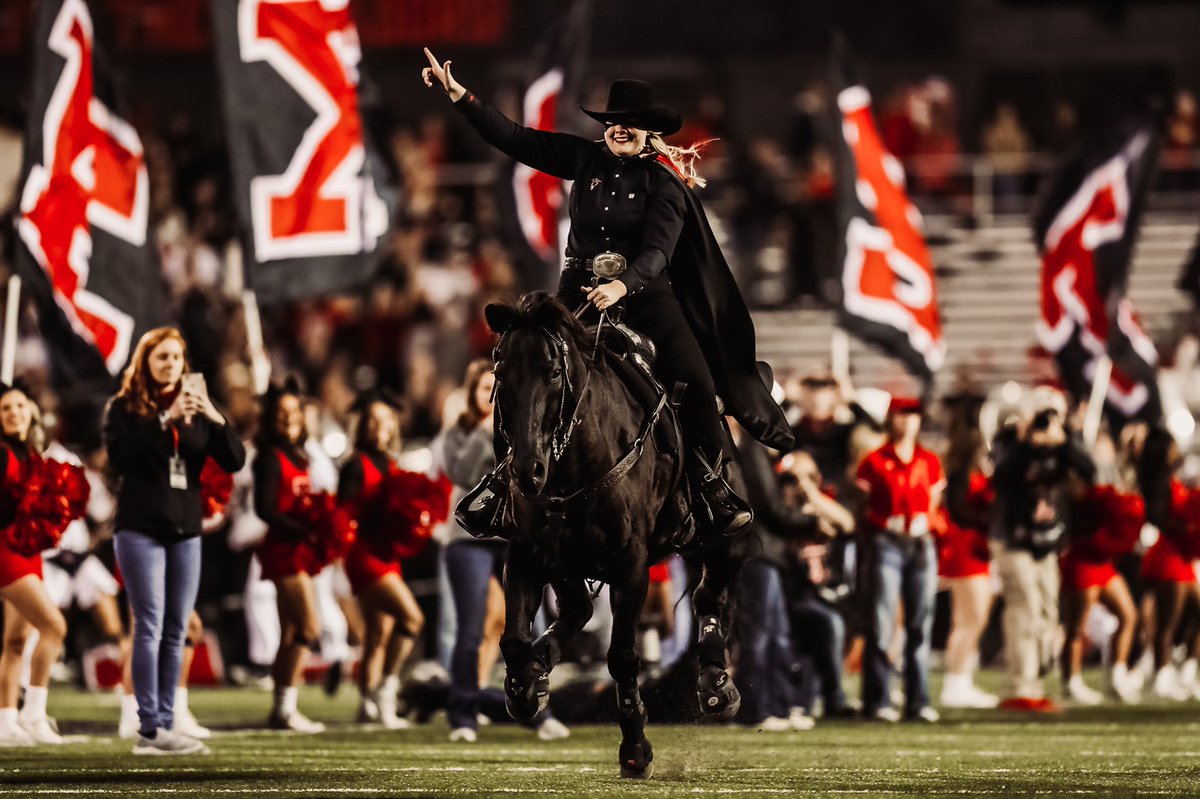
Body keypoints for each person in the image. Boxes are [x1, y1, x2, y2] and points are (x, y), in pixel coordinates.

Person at [421, 48, 793, 541]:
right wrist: (461, 98)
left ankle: (711, 486)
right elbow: (515, 138)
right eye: (614, 121)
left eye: (631, 123)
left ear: (648, 130)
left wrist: (624, 285)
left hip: (645, 296)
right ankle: (500, 482)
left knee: (698, 383)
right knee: (526, 368)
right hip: (577, 293)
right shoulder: (584, 157)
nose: (620, 129)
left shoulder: (665, 183)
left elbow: (660, 251)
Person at [104, 327, 245, 754]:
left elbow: (234, 459)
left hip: (185, 528)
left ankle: (167, 720)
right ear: (145, 361)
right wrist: (165, 419)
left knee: (177, 628)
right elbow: (121, 458)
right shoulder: (124, 407)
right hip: (140, 526)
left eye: (176, 358)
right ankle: (148, 727)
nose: (170, 365)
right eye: (161, 357)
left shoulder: (197, 408)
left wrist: (215, 416)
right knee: (148, 624)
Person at [436, 360, 569, 743]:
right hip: (469, 541)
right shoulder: (458, 431)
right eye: (483, 391)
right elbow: (462, 473)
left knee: (534, 624)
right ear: (471, 394)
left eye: (494, 390)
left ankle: (542, 713)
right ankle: (463, 714)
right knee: (470, 630)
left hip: (515, 537)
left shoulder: (523, 429)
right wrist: (487, 430)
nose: (490, 397)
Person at [989, 388, 1093, 712]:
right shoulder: (1010, 441)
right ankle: (1022, 686)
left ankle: (1036, 679)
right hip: (1014, 539)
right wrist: (1023, 440)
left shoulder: (1063, 444)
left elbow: (1088, 470)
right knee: (1025, 609)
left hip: (1048, 541)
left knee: (1048, 612)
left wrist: (1071, 435)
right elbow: (1001, 476)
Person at [339, 390, 425, 729]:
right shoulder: (353, 465)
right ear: (362, 425)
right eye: (372, 420)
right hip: (365, 554)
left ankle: (367, 706)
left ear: (393, 427)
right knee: (412, 619)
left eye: (386, 420)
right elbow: (344, 515)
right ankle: (387, 695)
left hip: (387, 553)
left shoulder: (391, 463)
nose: (379, 426)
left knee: (379, 631)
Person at [855, 397, 943, 723]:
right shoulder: (875, 461)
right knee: (882, 623)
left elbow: (934, 503)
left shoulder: (929, 461)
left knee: (920, 623)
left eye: (913, 416)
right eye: (902, 415)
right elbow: (862, 504)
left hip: (920, 542)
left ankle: (917, 700)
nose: (908, 422)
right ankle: (878, 698)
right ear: (892, 419)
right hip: (887, 540)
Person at [252, 379, 325, 733]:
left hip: (299, 547)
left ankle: (282, 709)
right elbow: (265, 509)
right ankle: (286, 706)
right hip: (284, 548)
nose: (288, 419)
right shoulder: (269, 456)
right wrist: (303, 527)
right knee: (310, 627)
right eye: (281, 414)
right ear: (270, 418)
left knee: (293, 631)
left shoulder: (300, 454)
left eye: (294, 412)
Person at [0, 384, 69, 745]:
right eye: (6, 408)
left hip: (28, 550)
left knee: (15, 641)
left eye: (19, 406)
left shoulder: (31, 453)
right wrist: (25, 505)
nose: (14, 413)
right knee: (55, 627)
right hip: (7, 551)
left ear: (31, 411)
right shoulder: (2, 454)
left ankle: (6, 720)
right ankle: (34, 713)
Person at [936, 393, 999, 709]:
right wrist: (992, 518)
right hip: (965, 545)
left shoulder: (969, 458)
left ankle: (961, 680)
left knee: (970, 618)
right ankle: (956, 683)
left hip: (971, 545)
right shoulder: (965, 461)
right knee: (971, 619)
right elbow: (960, 508)